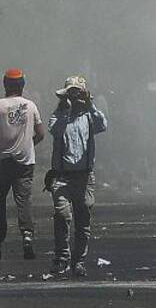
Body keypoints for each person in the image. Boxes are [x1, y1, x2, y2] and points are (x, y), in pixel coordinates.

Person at [48, 76, 107, 277]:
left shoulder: (90, 117)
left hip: (84, 176)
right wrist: (66, 108)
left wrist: (89, 104)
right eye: (70, 92)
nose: (74, 97)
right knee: (62, 216)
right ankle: (62, 258)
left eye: (77, 92)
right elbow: (54, 130)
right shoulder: (58, 116)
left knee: (83, 221)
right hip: (62, 176)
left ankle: (78, 261)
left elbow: (103, 125)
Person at [0, 69, 44, 261]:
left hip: (2, 161)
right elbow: (41, 133)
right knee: (24, 201)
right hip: (25, 162)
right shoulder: (30, 105)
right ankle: (27, 235)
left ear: (5, 84)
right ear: (22, 85)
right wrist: (27, 145)